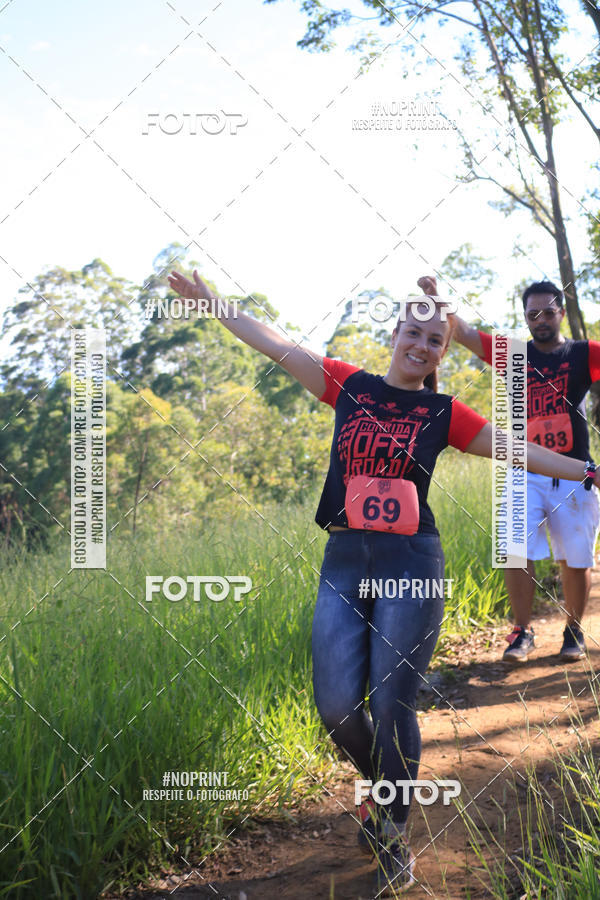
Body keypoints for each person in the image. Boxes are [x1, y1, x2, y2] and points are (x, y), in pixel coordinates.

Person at [167, 269, 600, 896]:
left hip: (413, 563)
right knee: (337, 703)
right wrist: (214, 304)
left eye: (435, 341)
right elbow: (274, 342)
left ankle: (392, 831)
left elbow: (513, 447)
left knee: (392, 701)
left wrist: (586, 469)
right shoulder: (349, 385)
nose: (422, 346)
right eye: (414, 334)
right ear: (395, 333)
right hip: (343, 560)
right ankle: (386, 787)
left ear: (441, 352)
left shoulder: (442, 411)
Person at [418, 275, 600, 665]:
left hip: (574, 473)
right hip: (524, 471)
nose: (541, 319)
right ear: (526, 318)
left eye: (548, 312)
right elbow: (463, 332)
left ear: (561, 313)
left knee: (576, 558)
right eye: (532, 314)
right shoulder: (514, 355)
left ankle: (572, 629)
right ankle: (523, 630)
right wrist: (438, 299)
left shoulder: (584, 353)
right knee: (515, 550)